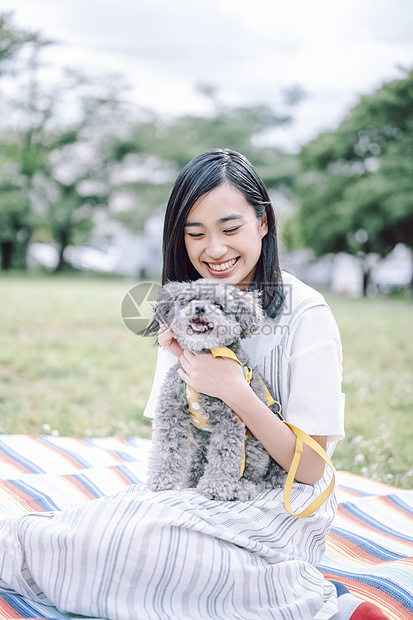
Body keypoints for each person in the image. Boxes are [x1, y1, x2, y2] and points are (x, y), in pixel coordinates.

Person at [0, 149, 386, 620]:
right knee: (113, 528)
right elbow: (177, 438)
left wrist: (237, 392)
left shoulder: (306, 314)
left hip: (278, 505)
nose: (215, 250)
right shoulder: (189, 311)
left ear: (262, 222)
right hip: (194, 489)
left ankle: (322, 607)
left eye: (230, 228)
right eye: (195, 233)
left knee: (158, 548)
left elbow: (309, 470)